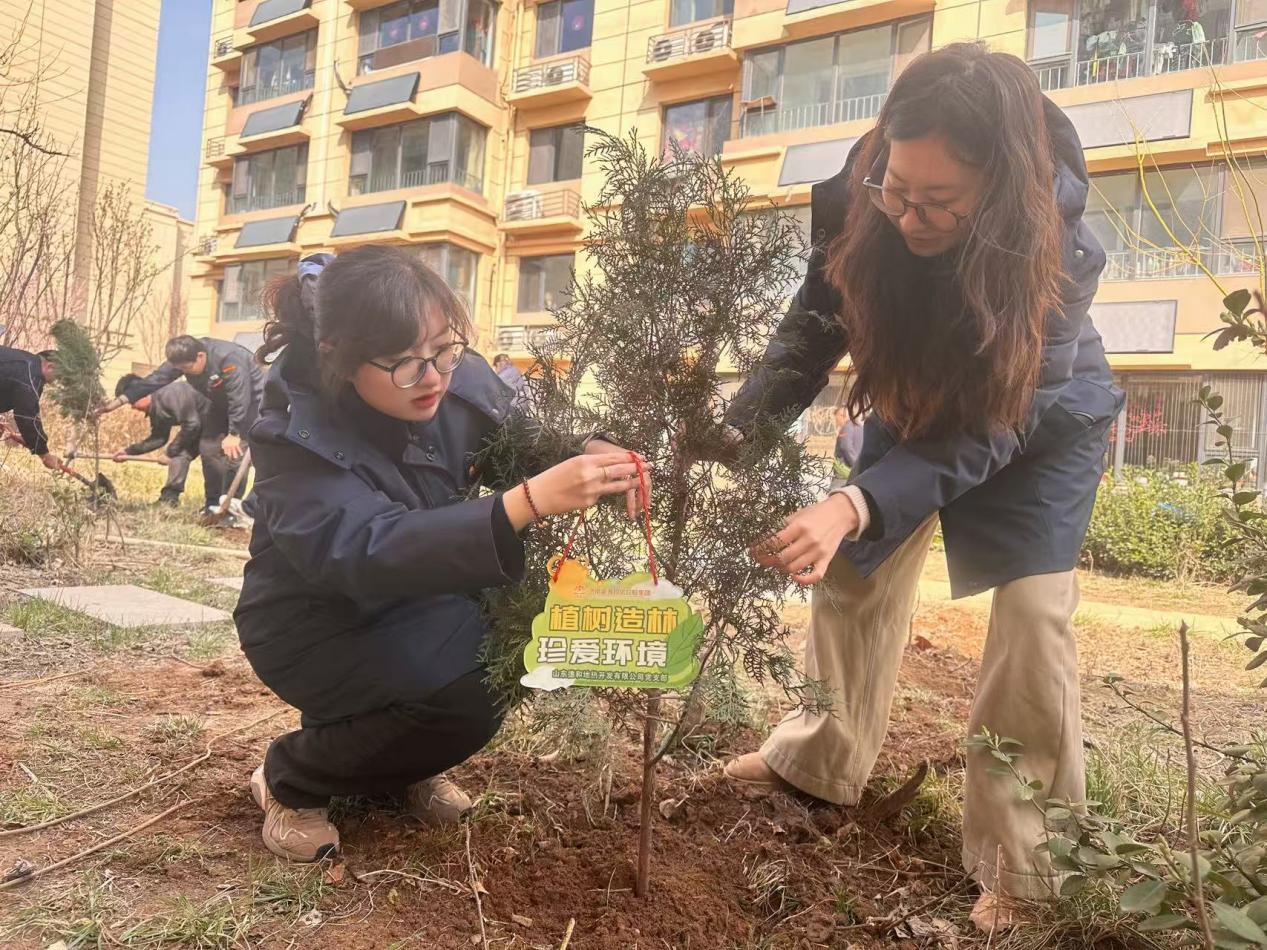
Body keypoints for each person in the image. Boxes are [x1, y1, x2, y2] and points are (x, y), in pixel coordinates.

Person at [716, 44, 1123, 932]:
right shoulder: (861, 189)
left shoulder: (1061, 248)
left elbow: (991, 425)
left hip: (1033, 421)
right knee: (853, 575)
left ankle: (1023, 868)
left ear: (1000, 186)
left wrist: (853, 498)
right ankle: (817, 761)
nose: (907, 215)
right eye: (897, 189)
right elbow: (813, 325)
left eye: (938, 202)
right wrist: (733, 434)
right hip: (911, 401)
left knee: (1031, 620)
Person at [235, 246, 647, 862]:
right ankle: (294, 778)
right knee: (467, 688)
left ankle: (397, 761)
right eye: (404, 364)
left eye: (443, 351)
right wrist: (526, 502)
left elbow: (518, 433)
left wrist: (584, 448)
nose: (433, 378)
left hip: (415, 595)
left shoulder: (454, 376)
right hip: (311, 620)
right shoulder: (294, 432)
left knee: (510, 647)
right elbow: (361, 549)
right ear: (339, 359)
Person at [98, 335, 265, 517]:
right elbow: (154, 380)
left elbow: (239, 396)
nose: (185, 373)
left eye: (186, 369)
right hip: (218, 403)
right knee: (208, 449)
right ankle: (212, 505)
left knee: (234, 454)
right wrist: (114, 404)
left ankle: (231, 507)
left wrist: (234, 433)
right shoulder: (182, 358)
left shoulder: (228, 358)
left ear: (201, 356)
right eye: (180, 369)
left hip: (252, 403)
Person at [112, 375, 210, 508]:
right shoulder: (156, 407)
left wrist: (169, 453)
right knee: (180, 455)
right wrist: (128, 452)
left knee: (212, 458)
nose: (133, 407)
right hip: (201, 423)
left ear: (142, 393)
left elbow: (192, 424)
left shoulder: (168, 395)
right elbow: (159, 438)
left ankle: (215, 504)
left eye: (132, 402)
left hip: (218, 418)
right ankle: (169, 499)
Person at [0, 345, 62, 472]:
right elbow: (27, 417)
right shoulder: (32, 376)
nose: (57, 381)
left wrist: (29, 438)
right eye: (58, 375)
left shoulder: (25, 363)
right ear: (50, 366)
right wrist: (44, 454)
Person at [833, 406, 864, 470]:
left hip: (845, 470)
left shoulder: (847, 427)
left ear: (842, 416)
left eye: (836, 418)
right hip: (857, 466)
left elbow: (845, 446)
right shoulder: (859, 427)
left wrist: (854, 466)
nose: (835, 420)